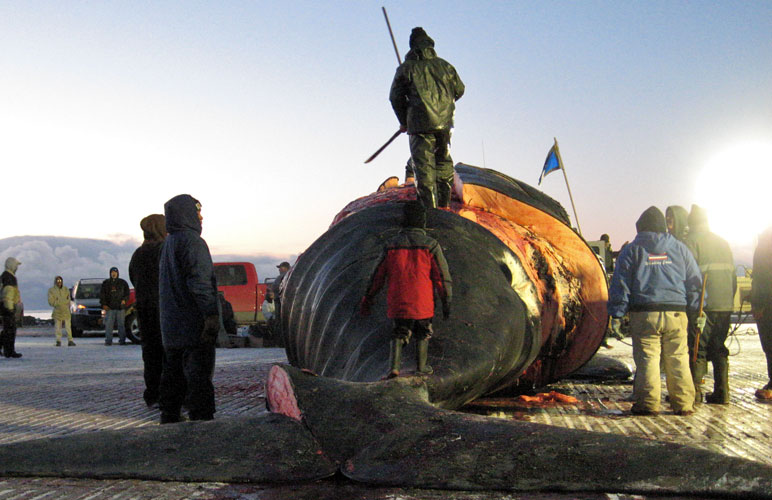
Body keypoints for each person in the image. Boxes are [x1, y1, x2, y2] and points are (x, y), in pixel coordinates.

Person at [608, 206, 703, 416]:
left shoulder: (631, 250)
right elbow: (695, 282)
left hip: (645, 314)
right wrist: (697, 310)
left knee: (648, 359)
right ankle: (684, 404)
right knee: (678, 358)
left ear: (640, 228)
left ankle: (648, 404)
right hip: (677, 313)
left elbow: (620, 284)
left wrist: (617, 313)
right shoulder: (680, 248)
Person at [360, 202, 452, 379]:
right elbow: (442, 277)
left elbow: (377, 276)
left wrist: (368, 298)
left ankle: (394, 368)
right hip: (422, 303)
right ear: (422, 222)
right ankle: (421, 367)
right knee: (423, 333)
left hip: (398, 301)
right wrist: (446, 301)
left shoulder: (391, 245)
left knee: (399, 332)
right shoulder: (431, 245)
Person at [159, 194, 219, 423]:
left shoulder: (169, 243)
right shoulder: (192, 242)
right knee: (199, 376)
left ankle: (170, 416)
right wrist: (211, 315)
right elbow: (200, 283)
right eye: (197, 212)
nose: (201, 217)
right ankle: (202, 420)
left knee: (173, 376)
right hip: (193, 325)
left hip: (172, 326)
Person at [389, 27, 465, 209]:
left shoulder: (406, 69)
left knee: (424, 169)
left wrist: (404, 120)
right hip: (445, 123)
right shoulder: (446, 66)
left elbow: (395, 97)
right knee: (443, 162)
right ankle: (444, 207)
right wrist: (444, 103)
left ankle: (429, 213)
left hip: (419, 125)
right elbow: (460, 90)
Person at [685, 204, 736, 405]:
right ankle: (722, 392)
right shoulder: (723, 243)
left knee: (698, 348)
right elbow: (732, 277)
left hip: (702, 306)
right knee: (719, 347)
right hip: (725, 305)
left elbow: (688, 277)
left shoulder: (691, 242)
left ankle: (694, 392)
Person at [129, 214, 166, 408]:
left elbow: (134, 278)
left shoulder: (138, 253)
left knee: (150, 354)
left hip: (144, 310)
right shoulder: (164, 251)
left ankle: (152, 392)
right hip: (162, 309)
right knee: (167, 353)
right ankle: (166, 394)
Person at [751, 227, 772, 397]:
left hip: (768, 307)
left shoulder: (764, 247)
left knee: (770, 345)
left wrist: (758, 304)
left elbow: (762, 278)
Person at [100, 267, 130, 345]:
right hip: (109, 308)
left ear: (117, 273)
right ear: (110, 273)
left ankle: (122, 341)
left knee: (121, 325)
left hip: (120, 308)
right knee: (109, 325)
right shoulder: (106, 283)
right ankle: (108, 341)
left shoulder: (123, 282)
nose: (114, 274)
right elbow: (102, 295)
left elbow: (127, 294)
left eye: (115, 272)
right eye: (112, 272)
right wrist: (103, 304)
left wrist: (124, 300)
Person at [1, 257, 23, 358]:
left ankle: (6, 349)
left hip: (5, 307)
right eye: (16, 265)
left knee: (7, 330)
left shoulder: (6, 276)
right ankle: (9, 351)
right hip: (7, 308)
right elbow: (8, 294)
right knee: (10, 330)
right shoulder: (9, 277)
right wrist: (10, 308)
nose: (17, 268)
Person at [48, 276, 75, 347]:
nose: (59, 282)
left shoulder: (65, 289)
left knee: (68, 327)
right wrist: (57, 303)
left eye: (60, 281)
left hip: (66, 310)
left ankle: (70, 340)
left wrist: (65, 303)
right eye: (57, 281)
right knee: (58, 327)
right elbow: (51, 301)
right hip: (57, 311)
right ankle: (58, 340)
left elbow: (68, 298)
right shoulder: (52, 290)